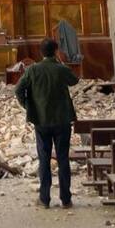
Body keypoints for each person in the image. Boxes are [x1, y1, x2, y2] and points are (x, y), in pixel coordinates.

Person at [14, 37, 79, 208]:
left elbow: (18, 89)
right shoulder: (60, 69)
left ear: (40, 52)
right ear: (56, 51)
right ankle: (66, 199)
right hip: (62, 120)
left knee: (44, 159)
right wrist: (62, 63)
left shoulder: (33, 70)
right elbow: (74, 80)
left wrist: (28, 106)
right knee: (63, 159)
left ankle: (44, 199)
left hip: (41, 120)